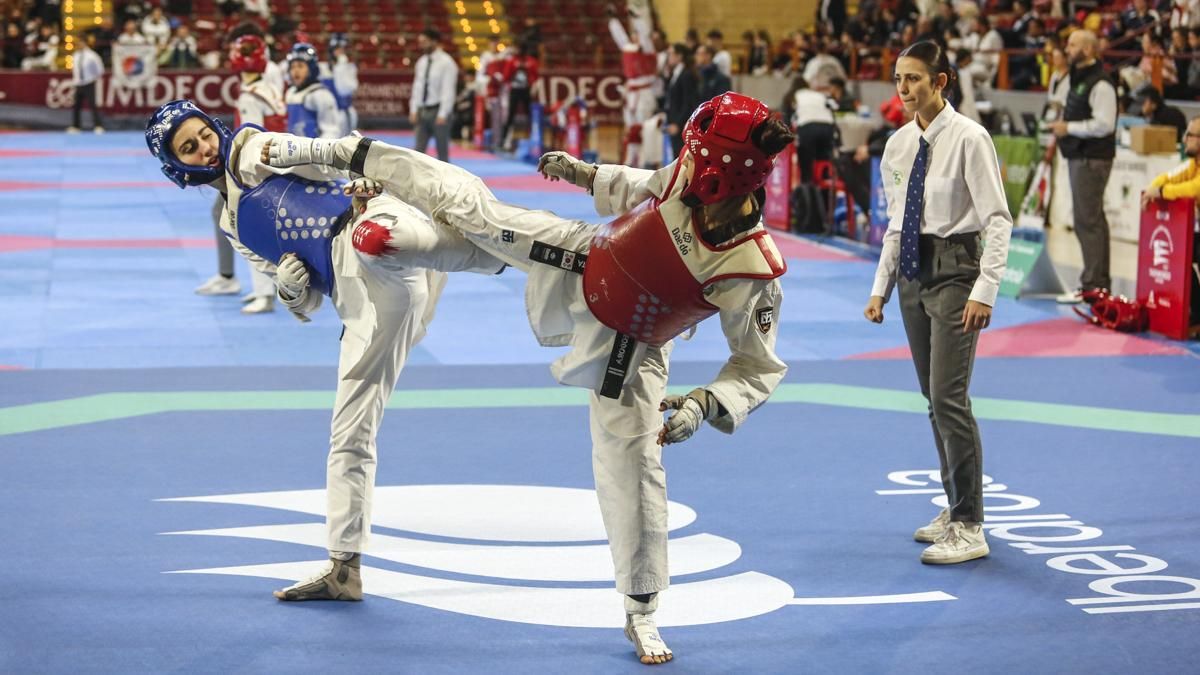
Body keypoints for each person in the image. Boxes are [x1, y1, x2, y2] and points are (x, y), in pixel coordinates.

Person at [262, 91, 792, 666]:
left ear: (721, 170)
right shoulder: (691, 169)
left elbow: (757, 366)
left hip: (631, 347)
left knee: (634, 470)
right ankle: (343, 154)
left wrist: (705, 405)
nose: (687, 164)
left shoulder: (751, 269)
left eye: (698, 155)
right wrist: (584, 174)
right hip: (585, 256)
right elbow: (646, 183)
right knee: (473, 208)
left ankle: (641, 613)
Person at [145, 99, 504, 602]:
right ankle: (343, 568)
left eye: (202, 133)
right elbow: (307, 302)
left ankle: (519, 250)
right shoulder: (231, 222)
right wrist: (291, 289)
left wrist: (359, 168)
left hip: (373, 225)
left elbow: (327, 154)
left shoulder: (253, 150)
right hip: (362, 297)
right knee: (349, 433)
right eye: (189, 147)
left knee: (374, 236)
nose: (204, 146)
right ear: (179, 168)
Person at [863, 41, 1012, 565]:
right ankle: (955, 506)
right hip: (910, 273)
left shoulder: (972, 138)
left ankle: (971, 524)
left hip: (956, 272)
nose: (903, 89)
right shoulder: (898, 145)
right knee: (933, 398)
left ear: (940, 82)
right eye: (898, 79)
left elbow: (997, 219)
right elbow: (896, 223)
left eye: (914, 79)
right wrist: (879, 288)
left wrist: (985, 289)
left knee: (950, 398)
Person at [195, 34, 288, 310]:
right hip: (276, 161)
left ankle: (264, 293)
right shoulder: (269, 87)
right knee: (231, 218)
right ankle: (258, 286)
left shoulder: (250, 95)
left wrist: (243, 174)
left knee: (246, 227)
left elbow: (253, 137)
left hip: (255, 168)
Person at [1050, 29, 1117, 304]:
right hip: (1079, 156)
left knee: (1088, 221)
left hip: (1092, 158)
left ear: (1088, 50)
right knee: (1090, 220)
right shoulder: (1077, 78)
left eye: (1074, 44)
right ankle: (1095, 283)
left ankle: (1094, 284)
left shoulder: (1101, 84)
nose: (1067, 48)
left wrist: (1069, 128)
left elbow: (1105, 124)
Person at [1141, 115, 1200, 330]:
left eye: (1190, 135)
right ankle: (1198, 315)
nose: (1185, 140)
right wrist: (1152, 190)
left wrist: (1163, 192)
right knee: (1182, 259)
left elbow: (1194, 188)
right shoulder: (1193, 164)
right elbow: (1167, 176)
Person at [607, 1, 659, 166]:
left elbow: (644, 34)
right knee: (631, 129)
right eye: (634, 33)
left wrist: (636, 18)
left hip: (644, 93)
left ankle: (645, 161)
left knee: (644, 128)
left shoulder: (648, 50)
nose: (635, 36)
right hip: (631, 93)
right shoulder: (628, 48)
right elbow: (619, 37)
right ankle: (630, 161)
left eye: (637, 33)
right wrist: (613, 20)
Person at [410, 28, 458, 162]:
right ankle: (417, 181)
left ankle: (445, 182)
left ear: (434, 42)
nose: (421, 45)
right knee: (418, 153)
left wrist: (443, 113)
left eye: (424, 42)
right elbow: (417, 87)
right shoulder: (421, 62)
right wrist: (413, 109)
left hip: (438, 110)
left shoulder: (447, 63)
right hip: (422, 110)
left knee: (442, 152)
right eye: (420, 42)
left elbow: (448, 90)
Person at [284, 42, 341, 139]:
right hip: (292, 151)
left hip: (312, 152)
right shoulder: (290, 92)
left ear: (311, 69)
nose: (296, 71)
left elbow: (331, 132)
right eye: (293, 67)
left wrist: (316, 152)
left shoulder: (321, 95)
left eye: (300, 66)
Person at [788, 76, 835, 184]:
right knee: (823, 160)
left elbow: (787, 118)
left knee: (805, 162)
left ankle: (807, 188)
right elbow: (831, 108)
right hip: (827, 127)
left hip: (807, 127)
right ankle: (824, 188)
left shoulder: (793, 96)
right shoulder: (818, 95)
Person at [499, 41, 539, 153]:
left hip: (526, 91)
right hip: (515, 91)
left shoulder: (531, 61)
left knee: (530, 116)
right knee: (510, 117)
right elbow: (506, 76)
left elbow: (536, 76)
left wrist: (533, 88)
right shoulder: (512, 61)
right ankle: (503, 141)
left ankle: (533, 139)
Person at [319, 33, 359, 136]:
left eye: (343, 49)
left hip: (343, 113)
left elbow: (344, 89)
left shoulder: (349, 68)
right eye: (337, 49)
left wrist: (340, 67)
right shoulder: (323, 68)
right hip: (327, 114)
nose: (340, 52)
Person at [68, 31, 105, 134]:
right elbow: (75, 69)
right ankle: (76, 126)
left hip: (89, 82)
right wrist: (76, 80)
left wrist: (92, 78)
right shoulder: (75, 55)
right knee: (76, 106)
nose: (78, 44)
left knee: (93, 105)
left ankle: (98, 125)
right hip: (78, 83)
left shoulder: (92, 56)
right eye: (77, 42)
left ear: (85, 43)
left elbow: (100, 70)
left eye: (80, 42)